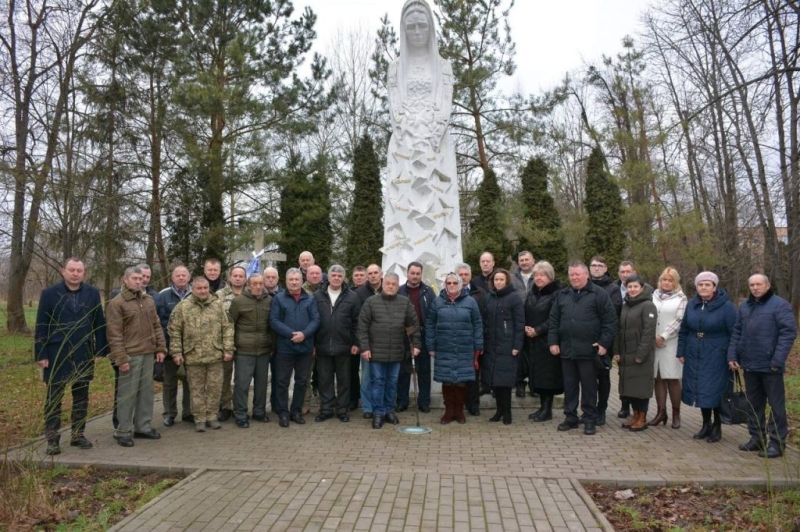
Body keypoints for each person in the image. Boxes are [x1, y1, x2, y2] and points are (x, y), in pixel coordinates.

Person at [381, 0, 462, 282]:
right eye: (410, 26)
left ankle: (442, 274)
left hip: (435, 144)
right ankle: (400, 275)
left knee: (437, 207)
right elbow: (395, 108)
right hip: (404, 143)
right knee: (403, 208)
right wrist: (408, 133)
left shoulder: (444, 67)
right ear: (403, 29)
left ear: (431, 28)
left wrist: (431, 134)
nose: (416, 31)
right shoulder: (394, 68)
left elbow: (445, 105)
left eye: (422, 26)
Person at [35, 258, 108, 455]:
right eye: (72, 270)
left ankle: (78, 435)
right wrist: (40, 353)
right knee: (54, 399)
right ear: (63, 271)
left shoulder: (92, 294)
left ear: (84, 273)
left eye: (79, 270)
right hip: (56, 353)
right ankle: (52, 439)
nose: (75, 273)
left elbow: (98, 322)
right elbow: (42, 324)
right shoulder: (50, 294)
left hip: (83, 352)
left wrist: (101, 349)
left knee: (81, 397)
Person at [728, 274, 797, 458]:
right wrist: (733, 355)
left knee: (776, 406)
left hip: (771, 366)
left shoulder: (780, 305)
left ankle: (776, 443)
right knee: (753, 405)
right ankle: (757, 438)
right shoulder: (745, 307)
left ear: (767, 285)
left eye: (759, 284)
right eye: (752, 285)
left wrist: (777, 360)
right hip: (749, 365)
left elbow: (788, 333)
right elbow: (737, 332)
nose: (755, 288)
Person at [549, 262, 617, 436]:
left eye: (578, 274)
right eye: (572, 275)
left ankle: (589, 419)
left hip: (589, 351)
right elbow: (554, 321)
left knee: (589, 388)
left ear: (587, 275)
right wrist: (553, 342)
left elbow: (610, 322)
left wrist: (603, 343)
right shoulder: (563, 295)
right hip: (567, 350)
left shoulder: (599, 294)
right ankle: (570, 417)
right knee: (570, 386)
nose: (574, 278)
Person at [106, 266, 167, 447]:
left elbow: (157, 326)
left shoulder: (148, 301)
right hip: (130, 355)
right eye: (135, 278)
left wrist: (161, 348)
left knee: (146, 393)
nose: (139, 281)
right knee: (127, 394)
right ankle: (123, 430)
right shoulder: (117, 303)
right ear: (125, 279)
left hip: (148, 353)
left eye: (141, 279)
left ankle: (143, 426)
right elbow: (114, 334)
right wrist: (121, 358)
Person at [168, 276, 234, 432]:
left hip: (215, 354)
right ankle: (199, 418)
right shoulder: (183, 307)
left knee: (215, 388)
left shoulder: (217, 305)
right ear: (193, 288)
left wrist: (228, 349)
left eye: (205, 288)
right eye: (199, 288)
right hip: (193, 355)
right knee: (196, 389)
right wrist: (176, 352)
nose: (203, 291)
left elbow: (228, 328)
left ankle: (212, 416)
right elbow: (174, 330)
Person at [677, 271, 737, 443]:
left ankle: (717, 425)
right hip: (694, 352)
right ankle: (706, 424)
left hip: (717, 354)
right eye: (700, 284)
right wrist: (681, 351)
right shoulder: (692, 305)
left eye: (707, 285)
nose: (704, 287)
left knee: (716, 390)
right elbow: (684, 330)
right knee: (699, 389)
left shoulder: (727, 307)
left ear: (714, 287)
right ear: (696, 287)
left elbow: (735, 333)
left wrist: (732, 355)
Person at [357, 272, 421, 429]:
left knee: (392, 383)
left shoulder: (405, 303)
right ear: (382, 284)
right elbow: (362, 327)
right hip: (376, 352)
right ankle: (378, 412)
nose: (390, 286)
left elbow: (413, 326)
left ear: (398, 285)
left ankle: (389, 410)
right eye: (388, 283)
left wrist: (416, 344)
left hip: (396, 352)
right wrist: (364, 348)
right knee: (378, 382)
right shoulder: (371, 302)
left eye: (394, 284)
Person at [426, 273, 483, 424]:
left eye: (454, 283)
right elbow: (430, 324)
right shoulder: (437, 302)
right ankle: (448, 411)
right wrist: (430, 346)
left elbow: (477, 323)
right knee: (447, 381)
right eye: (448, 283)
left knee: (461, 381)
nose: (451, 285)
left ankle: (459, 411)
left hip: (465, 348)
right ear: (445, 284)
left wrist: (478, 345)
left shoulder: (470, 301)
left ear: (460, 284)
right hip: (444, 347)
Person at [269, 268, 321, 427]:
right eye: (291, 279)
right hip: (285, 347)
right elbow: (274, 321)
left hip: (305, 347)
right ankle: (283, 412)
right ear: (286, 281)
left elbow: (316, 320)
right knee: (282, 381)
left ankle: (296, 411)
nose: (294, 282)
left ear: (301, 280)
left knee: (301, 381)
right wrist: (292, 334)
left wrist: (304, 334)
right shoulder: (279, 298)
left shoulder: (310, 299)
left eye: (296, 279)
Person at [313, 265, 361, 423]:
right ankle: (326, 409)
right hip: (322, 345)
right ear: (328, 277)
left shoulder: (352, 296)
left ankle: (342, 410)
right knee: (324, 380)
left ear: (343, 278)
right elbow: (313, 321)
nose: (336, 278)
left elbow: (356, 322)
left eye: (339, 275)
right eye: (333, 275)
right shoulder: (317, 295)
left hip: (344, 346)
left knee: (344, 380)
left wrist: (355, 342)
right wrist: (313, 343)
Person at [229, 273, 273, 428]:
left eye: (261, 283)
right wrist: (231, 347)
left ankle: (259, 411)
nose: (258, 286)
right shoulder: (238, 301)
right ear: (248, 284)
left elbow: (272, 326)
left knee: (262, 384)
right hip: (244, 350)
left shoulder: (269, 301)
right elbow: (230, 326)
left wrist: (272, 346)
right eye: (255, 283)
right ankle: (240, 413)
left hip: (263, 350)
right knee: (242, 384)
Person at [614, 275, 657, 432]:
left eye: (635, 287)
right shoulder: (626, 305)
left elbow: (649, 332)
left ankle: (642, 418)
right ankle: (635, 415)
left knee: (641, 388)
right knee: (630, 388)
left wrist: (641, 354)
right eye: (629, 287)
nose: (632, 289)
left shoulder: (648, 306)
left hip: (640, 355)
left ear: (642, 288)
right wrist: (617, 351)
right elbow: (619, 330)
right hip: (626, 355)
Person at [481, 269, 525, 425]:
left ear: (507, 281)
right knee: (495, 382)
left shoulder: (514, 298)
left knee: (505, 383)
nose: (498, 282)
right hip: (492, 345)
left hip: (507, 346)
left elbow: (520, 324)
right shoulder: (489, 297)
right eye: (496, 280)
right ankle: (499, 411)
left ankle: (507, 412)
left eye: (501, 279)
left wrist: (517, 345)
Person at [523, 261, 562, 423]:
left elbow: (555, 318)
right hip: (532, 342)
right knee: (537, 376)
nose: (538, 278)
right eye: (536, 275)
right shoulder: (532, 292)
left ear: (550, 277)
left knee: (548, 378)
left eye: (542, 275)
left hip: (547, 341)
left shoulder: (557, 294)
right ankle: (541, 407)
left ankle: (547, 409)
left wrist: (537, 330)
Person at [649, 267, 687, 429]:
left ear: (675, 282)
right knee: (658, 378)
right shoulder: (653, 296)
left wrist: (663, 336)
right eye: (664, 279)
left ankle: (676, 414)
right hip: (654, 342)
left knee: (672, 378)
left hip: (671, 343)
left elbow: (679, 320)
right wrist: (652, 337)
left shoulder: (681, 298)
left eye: (670, 280)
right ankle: (661, 412)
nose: (667, 283)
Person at [157, 265, 193, 426]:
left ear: (189, 277)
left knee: (190, 381)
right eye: (177, 275)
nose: (181, 278)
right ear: (172, 277)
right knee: (169, 381)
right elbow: (158, 321)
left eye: (184, 275)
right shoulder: (163, 295)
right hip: (170, 345)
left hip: (192, 347)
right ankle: (169, 413)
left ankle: (188, 412)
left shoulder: (196, 293)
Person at [397, 261, 436, 412]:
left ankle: (424, 402)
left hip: (424, 334)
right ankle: (402, 401)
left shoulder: (428, 292)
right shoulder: (400, 291)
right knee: (403, 371)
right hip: (404, 336)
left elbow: (433, 315)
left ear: (421, 274)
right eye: (412, 273)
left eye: (418, 273)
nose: (415, 276)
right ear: (407, 273)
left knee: (424, 371)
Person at [216, 265, 247, 422]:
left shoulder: (250, 294)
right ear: (229, 278)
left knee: (242, 378)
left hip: (244, 343)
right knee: (225, 376)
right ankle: (225, 406)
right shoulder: (220, 295)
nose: (238, 278)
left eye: (241, 276)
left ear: (245, 279)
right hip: (225, 343)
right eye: (235, 275)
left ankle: (240, 406)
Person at [456, 263, 488, 415]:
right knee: (458, 375)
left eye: (465, 274)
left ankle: (473, 405)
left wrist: (480, 340)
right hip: (457, 340)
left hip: (474, 340)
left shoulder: (480, 293)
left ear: (470, 275)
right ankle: (458, 405)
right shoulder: (450, 293)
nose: (463, 277)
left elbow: (484, 317)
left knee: (474, 375)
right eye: (460, 275)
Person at [587, 255, 615, 425]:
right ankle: (589, 409)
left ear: (605, 269)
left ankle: (602, 409)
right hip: (586, 341)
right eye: (593, 265)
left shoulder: (612, 289)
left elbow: (613, 316)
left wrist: (605, 341)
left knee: (603, 377)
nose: (596, 268)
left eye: (600, 265)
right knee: (587, 378)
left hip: (604, 340)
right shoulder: (584, 285)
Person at [354, 264, 383, 419]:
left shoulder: (389, 289)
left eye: (375, 273)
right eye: (370, 273)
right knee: (366, 377)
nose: (373, 276)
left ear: (381, 274)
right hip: (367, 343)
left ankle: (382, 405)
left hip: (385, 342)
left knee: (382, 377)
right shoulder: (359, 293)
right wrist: (359, 343)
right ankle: (367, 407)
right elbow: (357, 320)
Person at [348, 265, 368, 410]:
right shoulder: (348, 293)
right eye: (357, 275)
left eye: (362, 275)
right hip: (353, 337)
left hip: (369, 338)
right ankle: (353, 398)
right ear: (352, 277)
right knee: (352, 370)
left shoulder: (372, 292)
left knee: (368, 373)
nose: (359, 277)